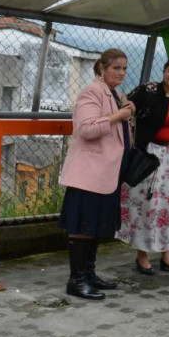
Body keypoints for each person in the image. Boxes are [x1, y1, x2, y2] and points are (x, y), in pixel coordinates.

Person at [59, 48, 134, 300]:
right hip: (88, 176)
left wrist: (125, 113)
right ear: (102, 68)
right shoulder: (91, 92)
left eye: (124, 68)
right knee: (82, 227)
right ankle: (76, 280)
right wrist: (118, 116)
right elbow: (86, 129)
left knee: (93, 227)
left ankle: (88, 274)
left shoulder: (114, 94)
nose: (122, 73)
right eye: (116, 68)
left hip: (104, 174)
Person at [116, 57, 169, 276]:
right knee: (146, 205)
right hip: (149, 155)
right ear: (164, 71)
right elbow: (124, 102)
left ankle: (167, 255)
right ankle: (142, 255)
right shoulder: (148, 90)